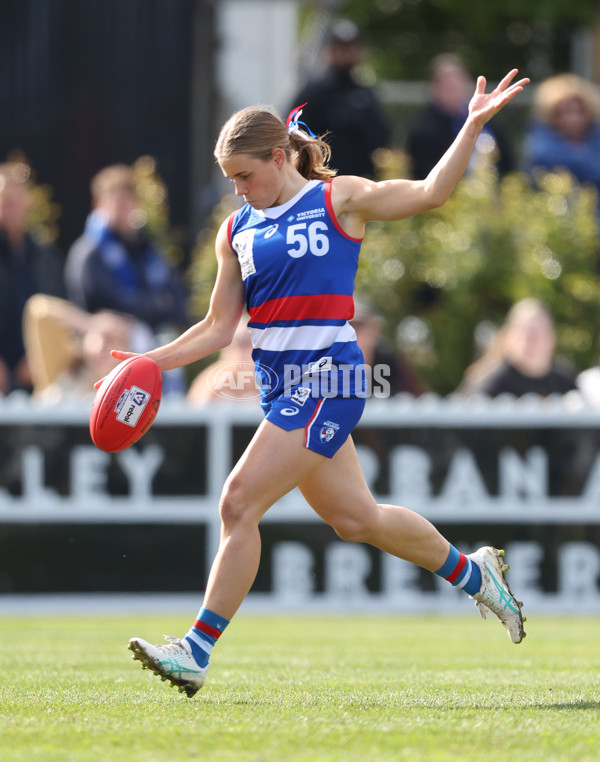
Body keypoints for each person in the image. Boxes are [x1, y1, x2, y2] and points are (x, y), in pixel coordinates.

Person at [111, 67, 530, 697]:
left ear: (279, 157)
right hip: (285, 390)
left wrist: (470, 123)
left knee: (237, 501)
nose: (240, 190)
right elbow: (217, 329)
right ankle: (477, 575)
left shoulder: (340, 200)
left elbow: (430, 193)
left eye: (246, 176)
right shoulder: (236, 230)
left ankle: (195, 652)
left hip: (332, 377)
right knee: (357, 519)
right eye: (231, 180)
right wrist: (143, 365)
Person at [288, 19, 391, 179]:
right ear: (329, 50)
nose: (346, 54)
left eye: (350, 48)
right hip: (321, 183)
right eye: (341, 48)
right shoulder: (313, 94)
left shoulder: (364, 94)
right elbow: (293, 134)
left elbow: (381, 137)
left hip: (360, 181)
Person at [0, 163, 65, 395]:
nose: (9, 208)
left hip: (38, 367)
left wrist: (39, 357)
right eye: (4, 201)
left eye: (15, 201)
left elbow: (58, 307)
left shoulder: (45, 254)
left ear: (28, 203)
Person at [406, 54, 514, 180]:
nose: (453, 84)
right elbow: (428, 178)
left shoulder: (488, 120)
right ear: (434, 87)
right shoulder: (424, 130)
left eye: (459, 78)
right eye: (446, 80)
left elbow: (508, 165)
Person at [459, 298, 577, 398]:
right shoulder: (490, 384)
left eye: (538, 332)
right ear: (508, 336)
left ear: (552, 337)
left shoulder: (565, 383)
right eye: (523, 331)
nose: (530, 340)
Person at [522, 73, 600, 220]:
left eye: (579, 111)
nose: (573, 118)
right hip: (557, 221)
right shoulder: (539, 143)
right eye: (564, 112)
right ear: (551, 114)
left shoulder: (596, 136)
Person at [350, 298, 423, 397]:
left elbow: (414, 399)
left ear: (375, 330)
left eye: (358, 326)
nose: (353, 334)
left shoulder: (389, 361)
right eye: (346, 327)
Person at [187, 318, 259, 404]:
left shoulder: (270, 378)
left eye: (247, 343)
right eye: (239, 343)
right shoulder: (213, 378)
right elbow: (199, 409)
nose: (243, 352)